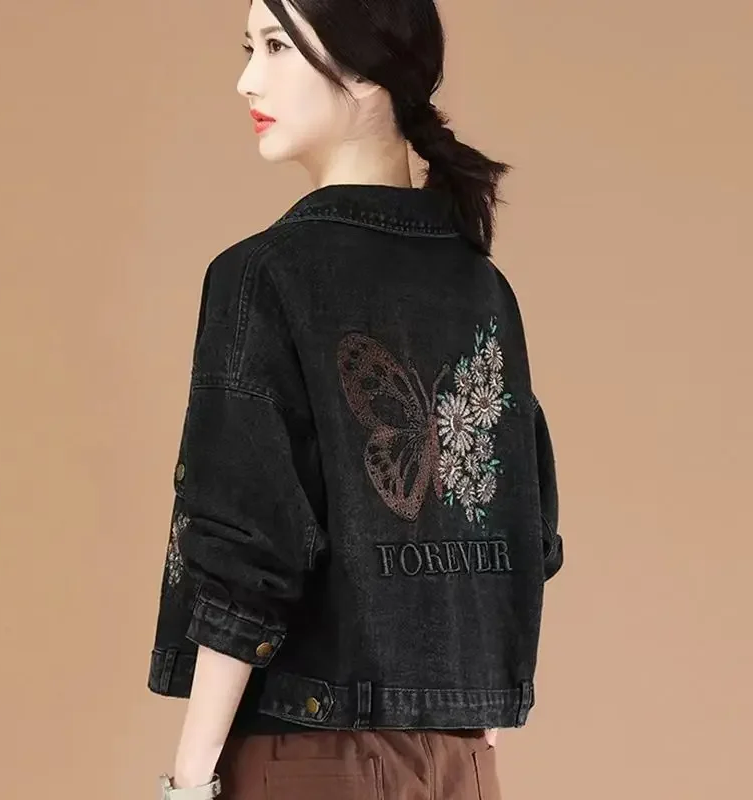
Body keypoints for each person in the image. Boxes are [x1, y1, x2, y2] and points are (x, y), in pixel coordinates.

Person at [147, 0, 564, 797]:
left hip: (311, 760)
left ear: (366, 67)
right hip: (465, 764)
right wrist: (472, 719)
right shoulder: (481, 285)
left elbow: (248, 551)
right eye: (248, 49)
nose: (246, 81)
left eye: (277, 46)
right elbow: (524, 534)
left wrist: (191, 776)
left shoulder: (263, 277)